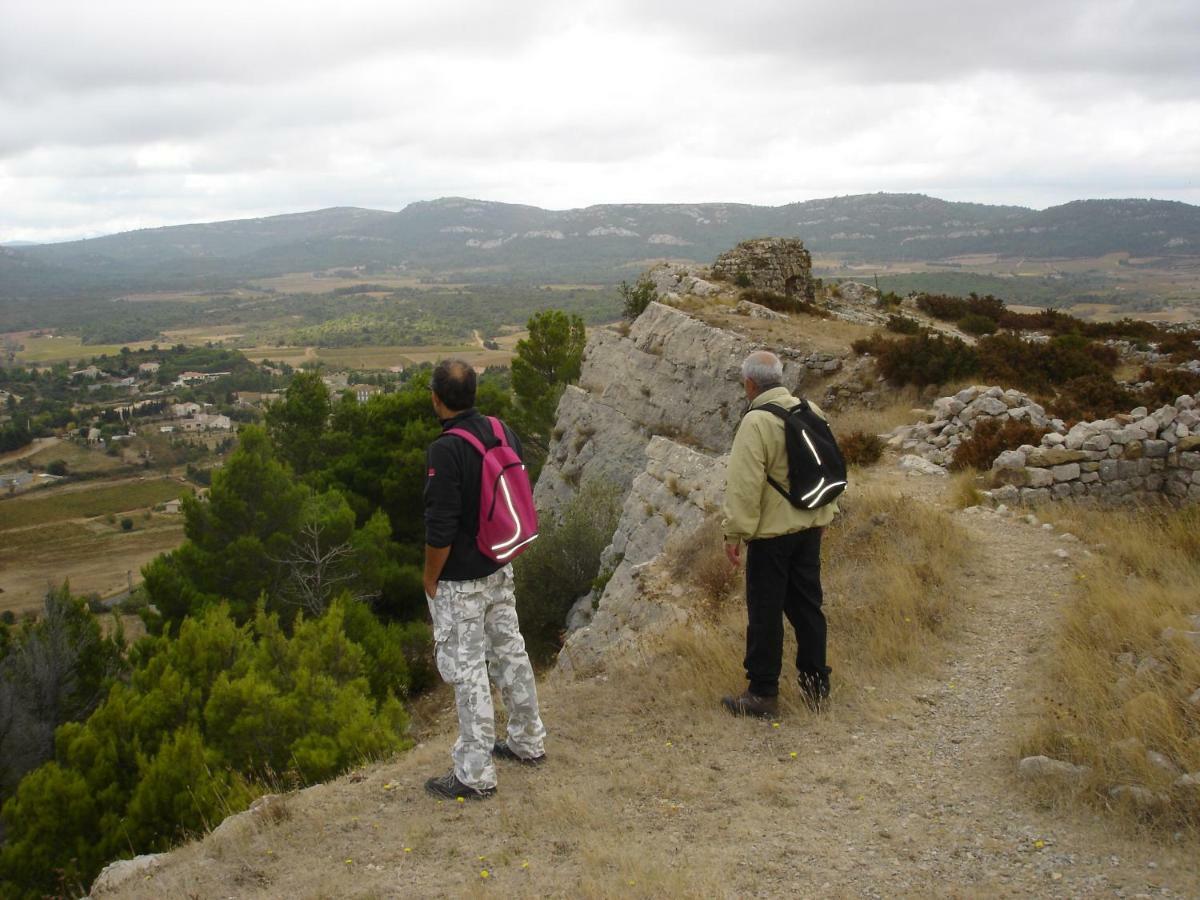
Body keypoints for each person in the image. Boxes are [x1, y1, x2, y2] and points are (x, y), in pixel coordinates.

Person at [423, 359, 547, 800]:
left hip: (461, 580)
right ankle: (527, 740)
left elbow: (440, 528)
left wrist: (430, 580)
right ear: (474, 393)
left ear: (436, 399)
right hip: (500, 564)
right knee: (511, 651)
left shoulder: (445, 449)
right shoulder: (500, 428)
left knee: (469, 669)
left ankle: (474, 773)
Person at [720, 350, 839, 718]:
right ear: (781, 377)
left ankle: (762, 694)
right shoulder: (810, 411)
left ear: (750, 384)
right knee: (808, 610)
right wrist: (824, 516)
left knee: (765, 614)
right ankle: (816, 689)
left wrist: (734, 533)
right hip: (808, 528)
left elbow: (744, 485)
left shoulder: (755, 421)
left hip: (771, 537)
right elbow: (825, 469)